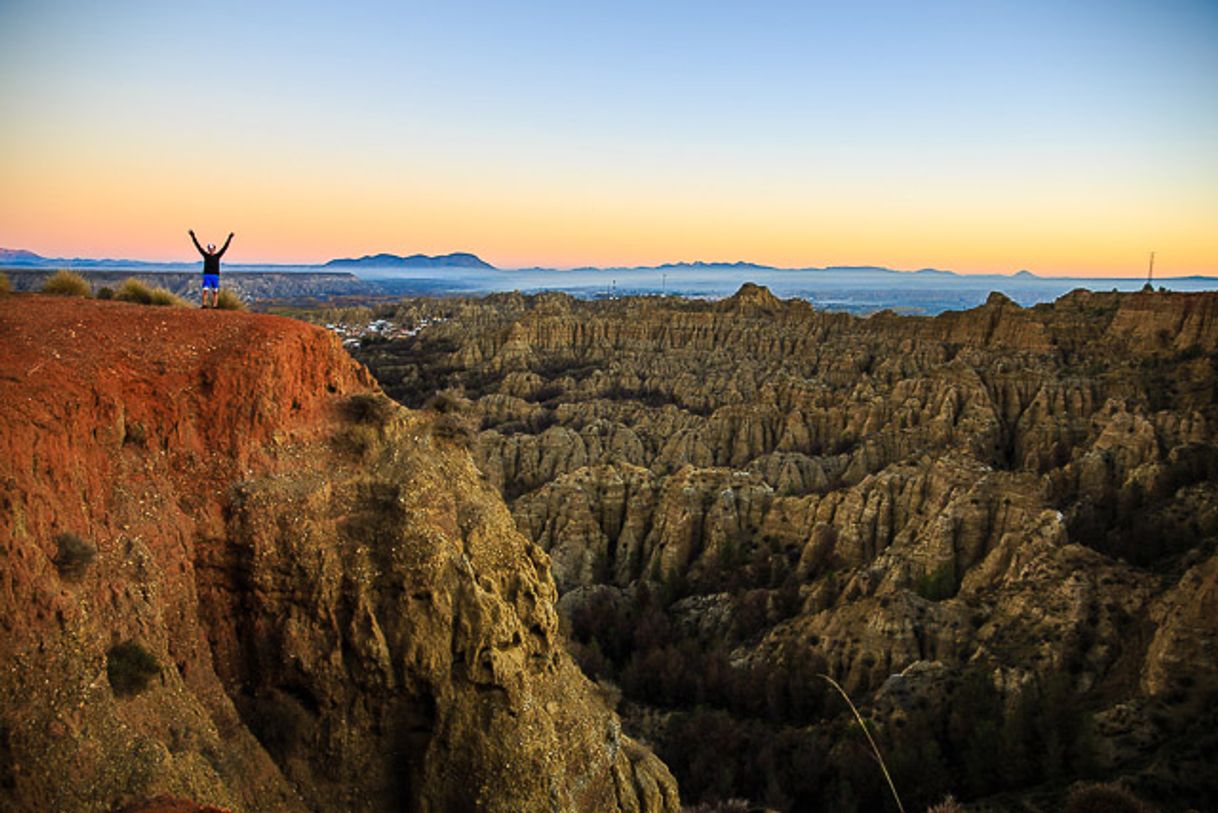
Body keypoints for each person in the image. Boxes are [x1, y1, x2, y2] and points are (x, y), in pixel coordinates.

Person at [189, 229, 234, 308]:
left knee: (215, 292)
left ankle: (215, 305)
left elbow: (225, 247)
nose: (211, 250)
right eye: (210, 249)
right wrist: (193, 236)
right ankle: (204, 304)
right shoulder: (206, 255)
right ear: (208, 249)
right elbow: (198, 246)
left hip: (215, 276)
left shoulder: (218, 256)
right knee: (205, 291)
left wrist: (229, 238)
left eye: (212, 249)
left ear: (214, 249)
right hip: (207, 275)